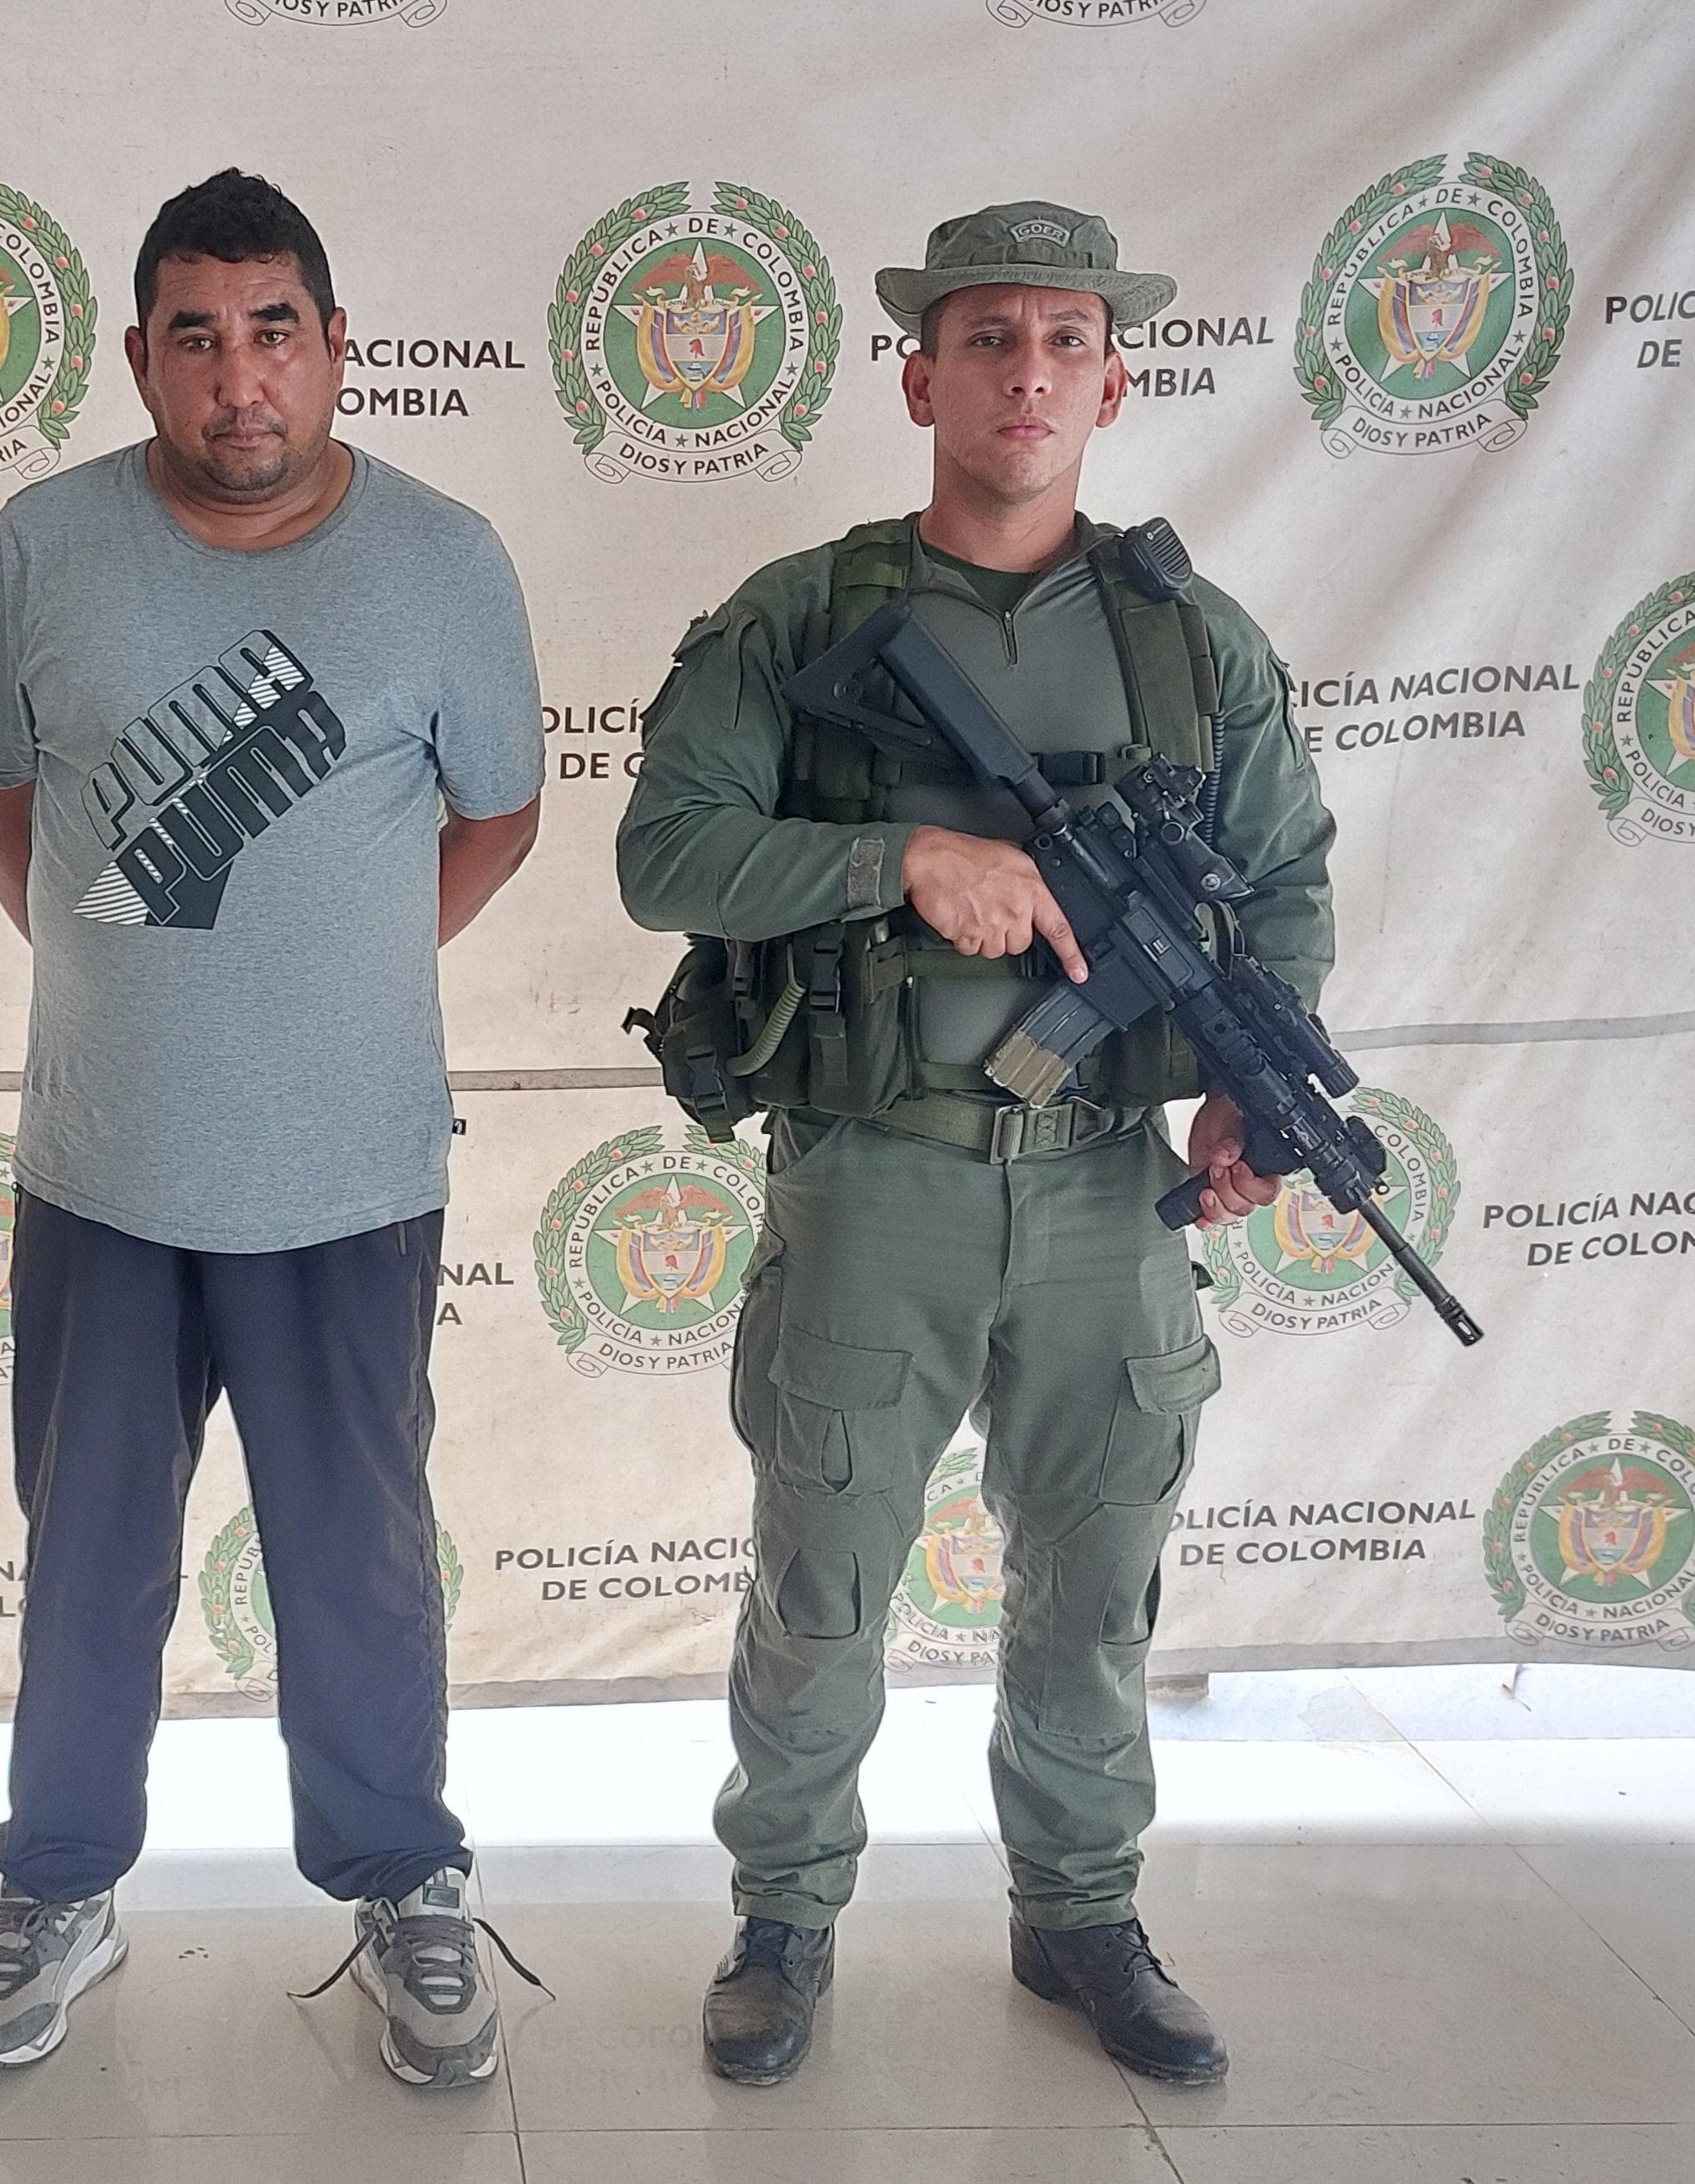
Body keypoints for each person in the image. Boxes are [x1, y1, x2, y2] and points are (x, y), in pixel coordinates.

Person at [614, 203, 1339, 2089]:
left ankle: (1079, 1911)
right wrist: (903, 860)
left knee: (1095, 1581)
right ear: (919, 378)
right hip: (874, 1178)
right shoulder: (801, 617)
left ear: (1116, 382)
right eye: (988, 339)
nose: (1028, 374)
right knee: (824, 1584)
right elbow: (665, 855)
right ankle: (784, 1922)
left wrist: (1248, 1086)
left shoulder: (1192, 645)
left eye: (1065, 341)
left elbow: (1281, 888)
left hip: (1107, 1182)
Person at [0, 168, 545, 2089]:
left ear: (337, 345)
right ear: (139, 358)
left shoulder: (444, 561)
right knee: (86, 1558)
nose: (237, 374)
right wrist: (116, 966)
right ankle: (59, 1884)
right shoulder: (43, 544)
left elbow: (499, 813)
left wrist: (341, 973)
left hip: (347, 1173)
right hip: (105, 1164)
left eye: (274, 329)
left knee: (354, 1558)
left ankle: (401, 1881)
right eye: (194, 335)